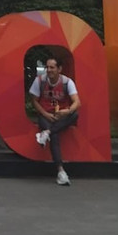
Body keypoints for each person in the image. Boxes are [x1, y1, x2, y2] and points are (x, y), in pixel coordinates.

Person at [29, 57, 80, 186]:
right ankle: (61, 171)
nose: (49, 70)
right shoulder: (40, 80)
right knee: (55, 136)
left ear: (59, 69)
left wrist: (67, 111)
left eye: (52, 67)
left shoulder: (67, 82)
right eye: (47, 67)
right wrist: (45, 113)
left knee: (75, 114)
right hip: (45, 115)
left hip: (61, 115)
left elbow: (77, 102)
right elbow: (34, 100)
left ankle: (46, 133)